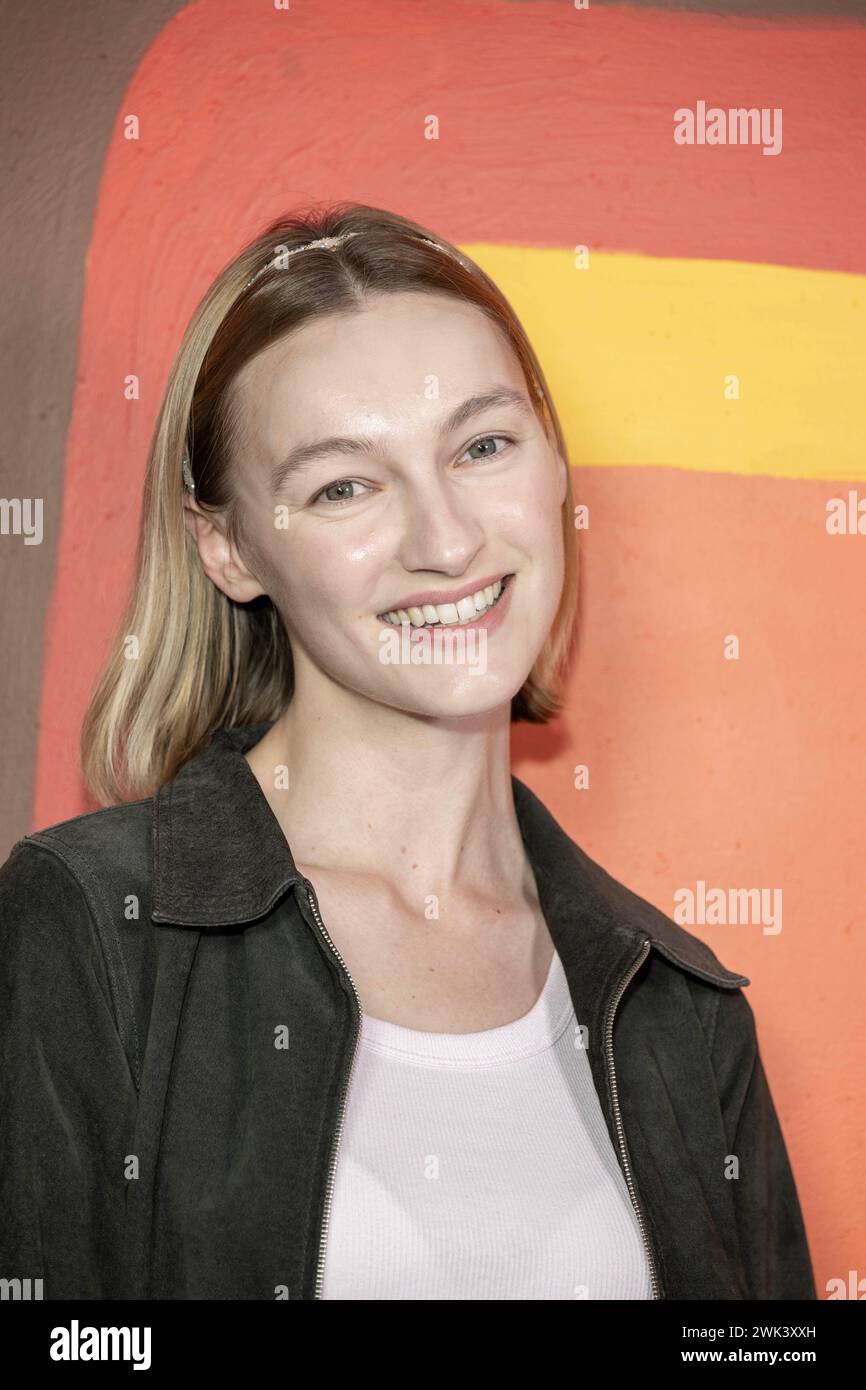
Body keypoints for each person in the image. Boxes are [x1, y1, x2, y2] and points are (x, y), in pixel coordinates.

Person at [0, 204, 815, 1301]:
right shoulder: (86, 928)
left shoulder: (678, 1004)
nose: (444, 542)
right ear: (230, 545)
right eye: (344, 484)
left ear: (552, 461)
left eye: (481, 446)